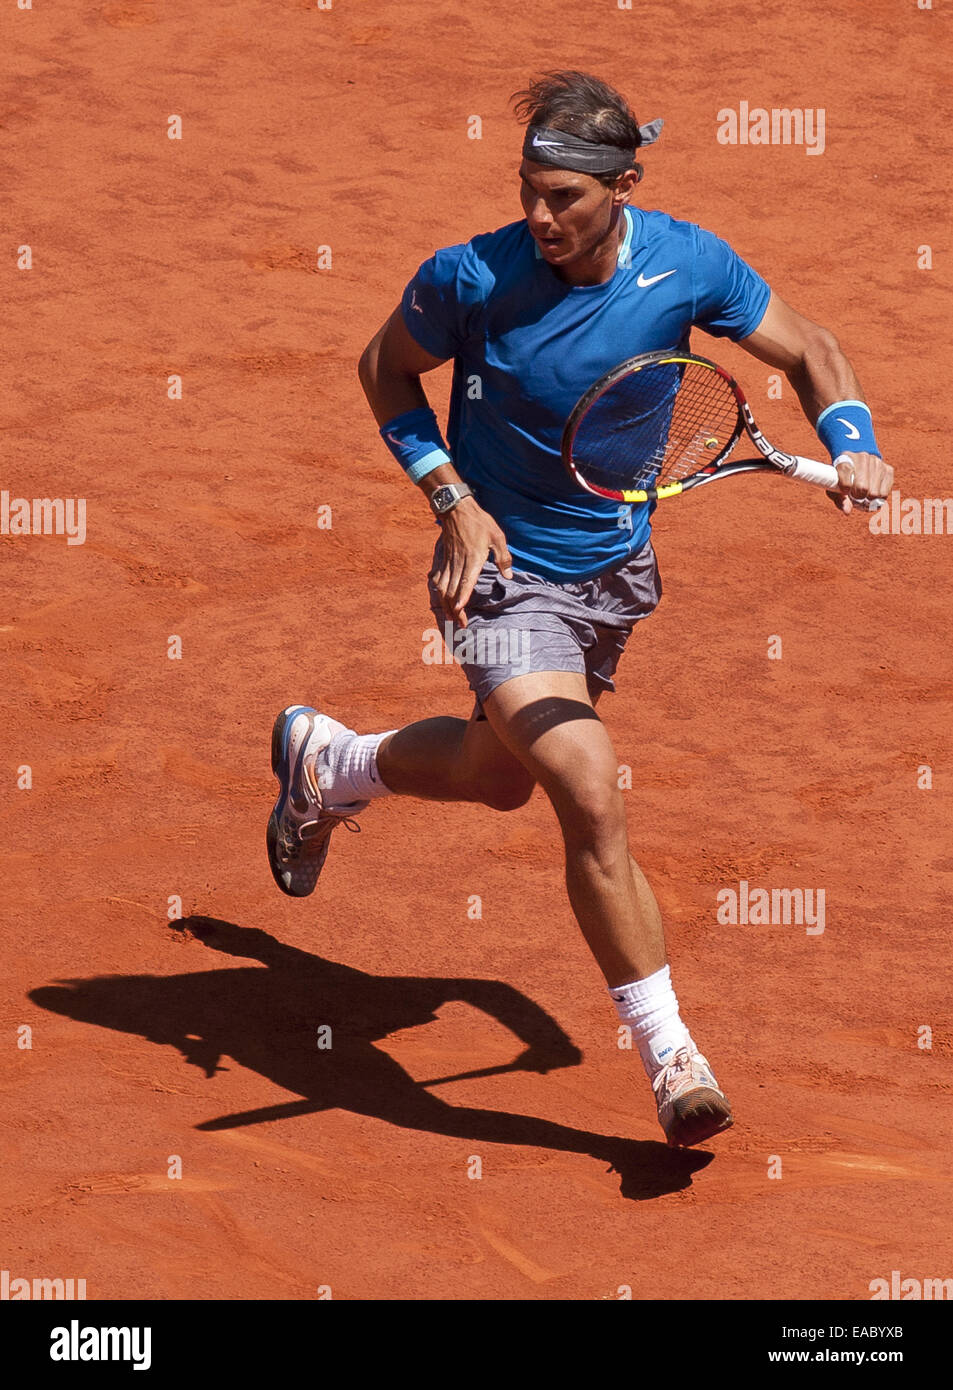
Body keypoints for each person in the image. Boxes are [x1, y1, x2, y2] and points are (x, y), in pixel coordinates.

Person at [266, 70, 892, 1148]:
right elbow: (382, 371)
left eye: (564, 197)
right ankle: (669, 1053)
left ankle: (330, 765)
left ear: (623, 187)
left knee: (497, 777)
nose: (539, 217)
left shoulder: (687, 262)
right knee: (587, 788)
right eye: (527, 192)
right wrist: (450, 500)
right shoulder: (469, 276)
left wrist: (850, 440)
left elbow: (805, 347)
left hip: (611, 573)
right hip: (497, 572)